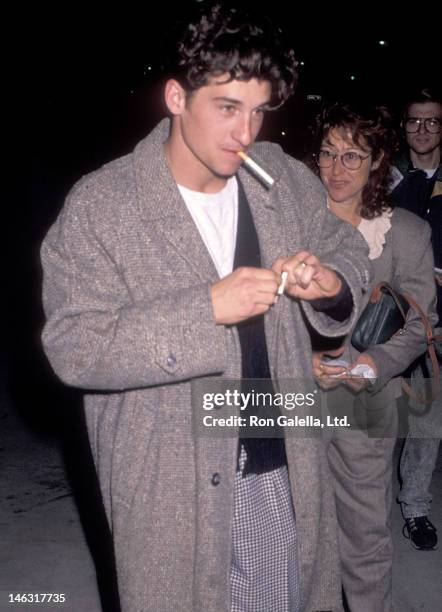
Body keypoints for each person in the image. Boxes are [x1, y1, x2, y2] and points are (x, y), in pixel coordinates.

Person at [40, 4, 371, 611]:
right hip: (171, 481)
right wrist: (206, 309)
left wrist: (332, 283)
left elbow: (344, 243)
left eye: (258, 112)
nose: (246, 134)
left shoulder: (275, 177)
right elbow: (73, 346)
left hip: (278, 462)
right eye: (226, 108)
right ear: (175, 97)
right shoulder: (102, 206)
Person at [310, 102, 437, 612]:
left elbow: (422, 323)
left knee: (364, 537)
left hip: (366, 402)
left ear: (378, 160)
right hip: (293, 394)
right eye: (327, 154)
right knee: (299, 536)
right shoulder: (295, 223)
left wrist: (372, 364)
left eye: (352, 157)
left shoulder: (405, 232)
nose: (336, 169)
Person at [391, 87, 442, 551]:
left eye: (432, 122)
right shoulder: (383, 175)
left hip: (436, 320)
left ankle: (416, 508)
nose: (422, 130)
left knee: (427, 417)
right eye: (414, 121)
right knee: (372, 413)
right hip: (386, 318)